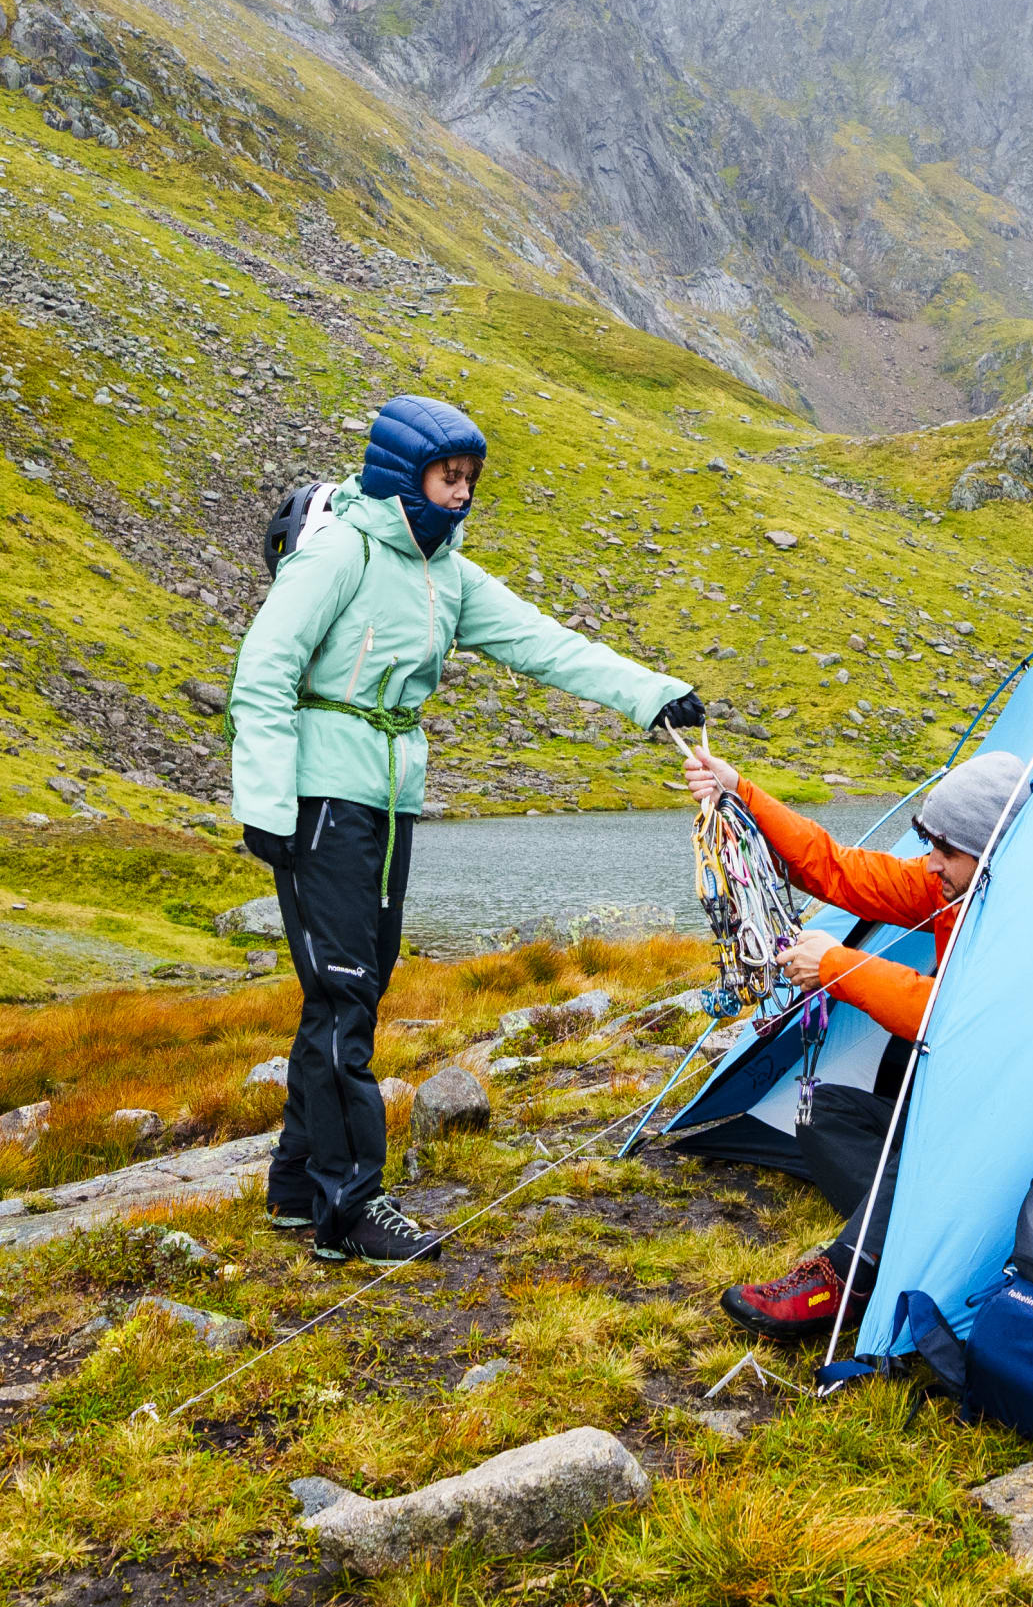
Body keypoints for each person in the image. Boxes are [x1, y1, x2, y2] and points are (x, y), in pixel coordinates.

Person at [230, 394, 702, 1262]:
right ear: (401, 473)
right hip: (320, 798)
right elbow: (264, 670)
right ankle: (349, 1208)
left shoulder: (447, 572)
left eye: (470, 479)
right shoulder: (339, 553)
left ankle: (298, 1188)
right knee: (343, 991)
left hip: (388, 798)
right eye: (448, 476)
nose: (462, 493)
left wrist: (653, 694)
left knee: (354, 986)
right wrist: (265, 805)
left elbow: (543, 642)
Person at [686, 741, 1033, 1340]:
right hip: (952, 1104)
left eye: (946, 850)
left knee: (927, 1141)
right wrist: (738, 791)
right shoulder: (950, 888)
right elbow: (836, 869)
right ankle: (930, 1234)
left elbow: (955, 1017)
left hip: (1008, 1117)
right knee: (818, 1110)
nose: (930, 863)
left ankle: (846, 1275)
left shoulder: (1028, 922)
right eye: (929, 844)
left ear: (990, 852)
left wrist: (838, 966)